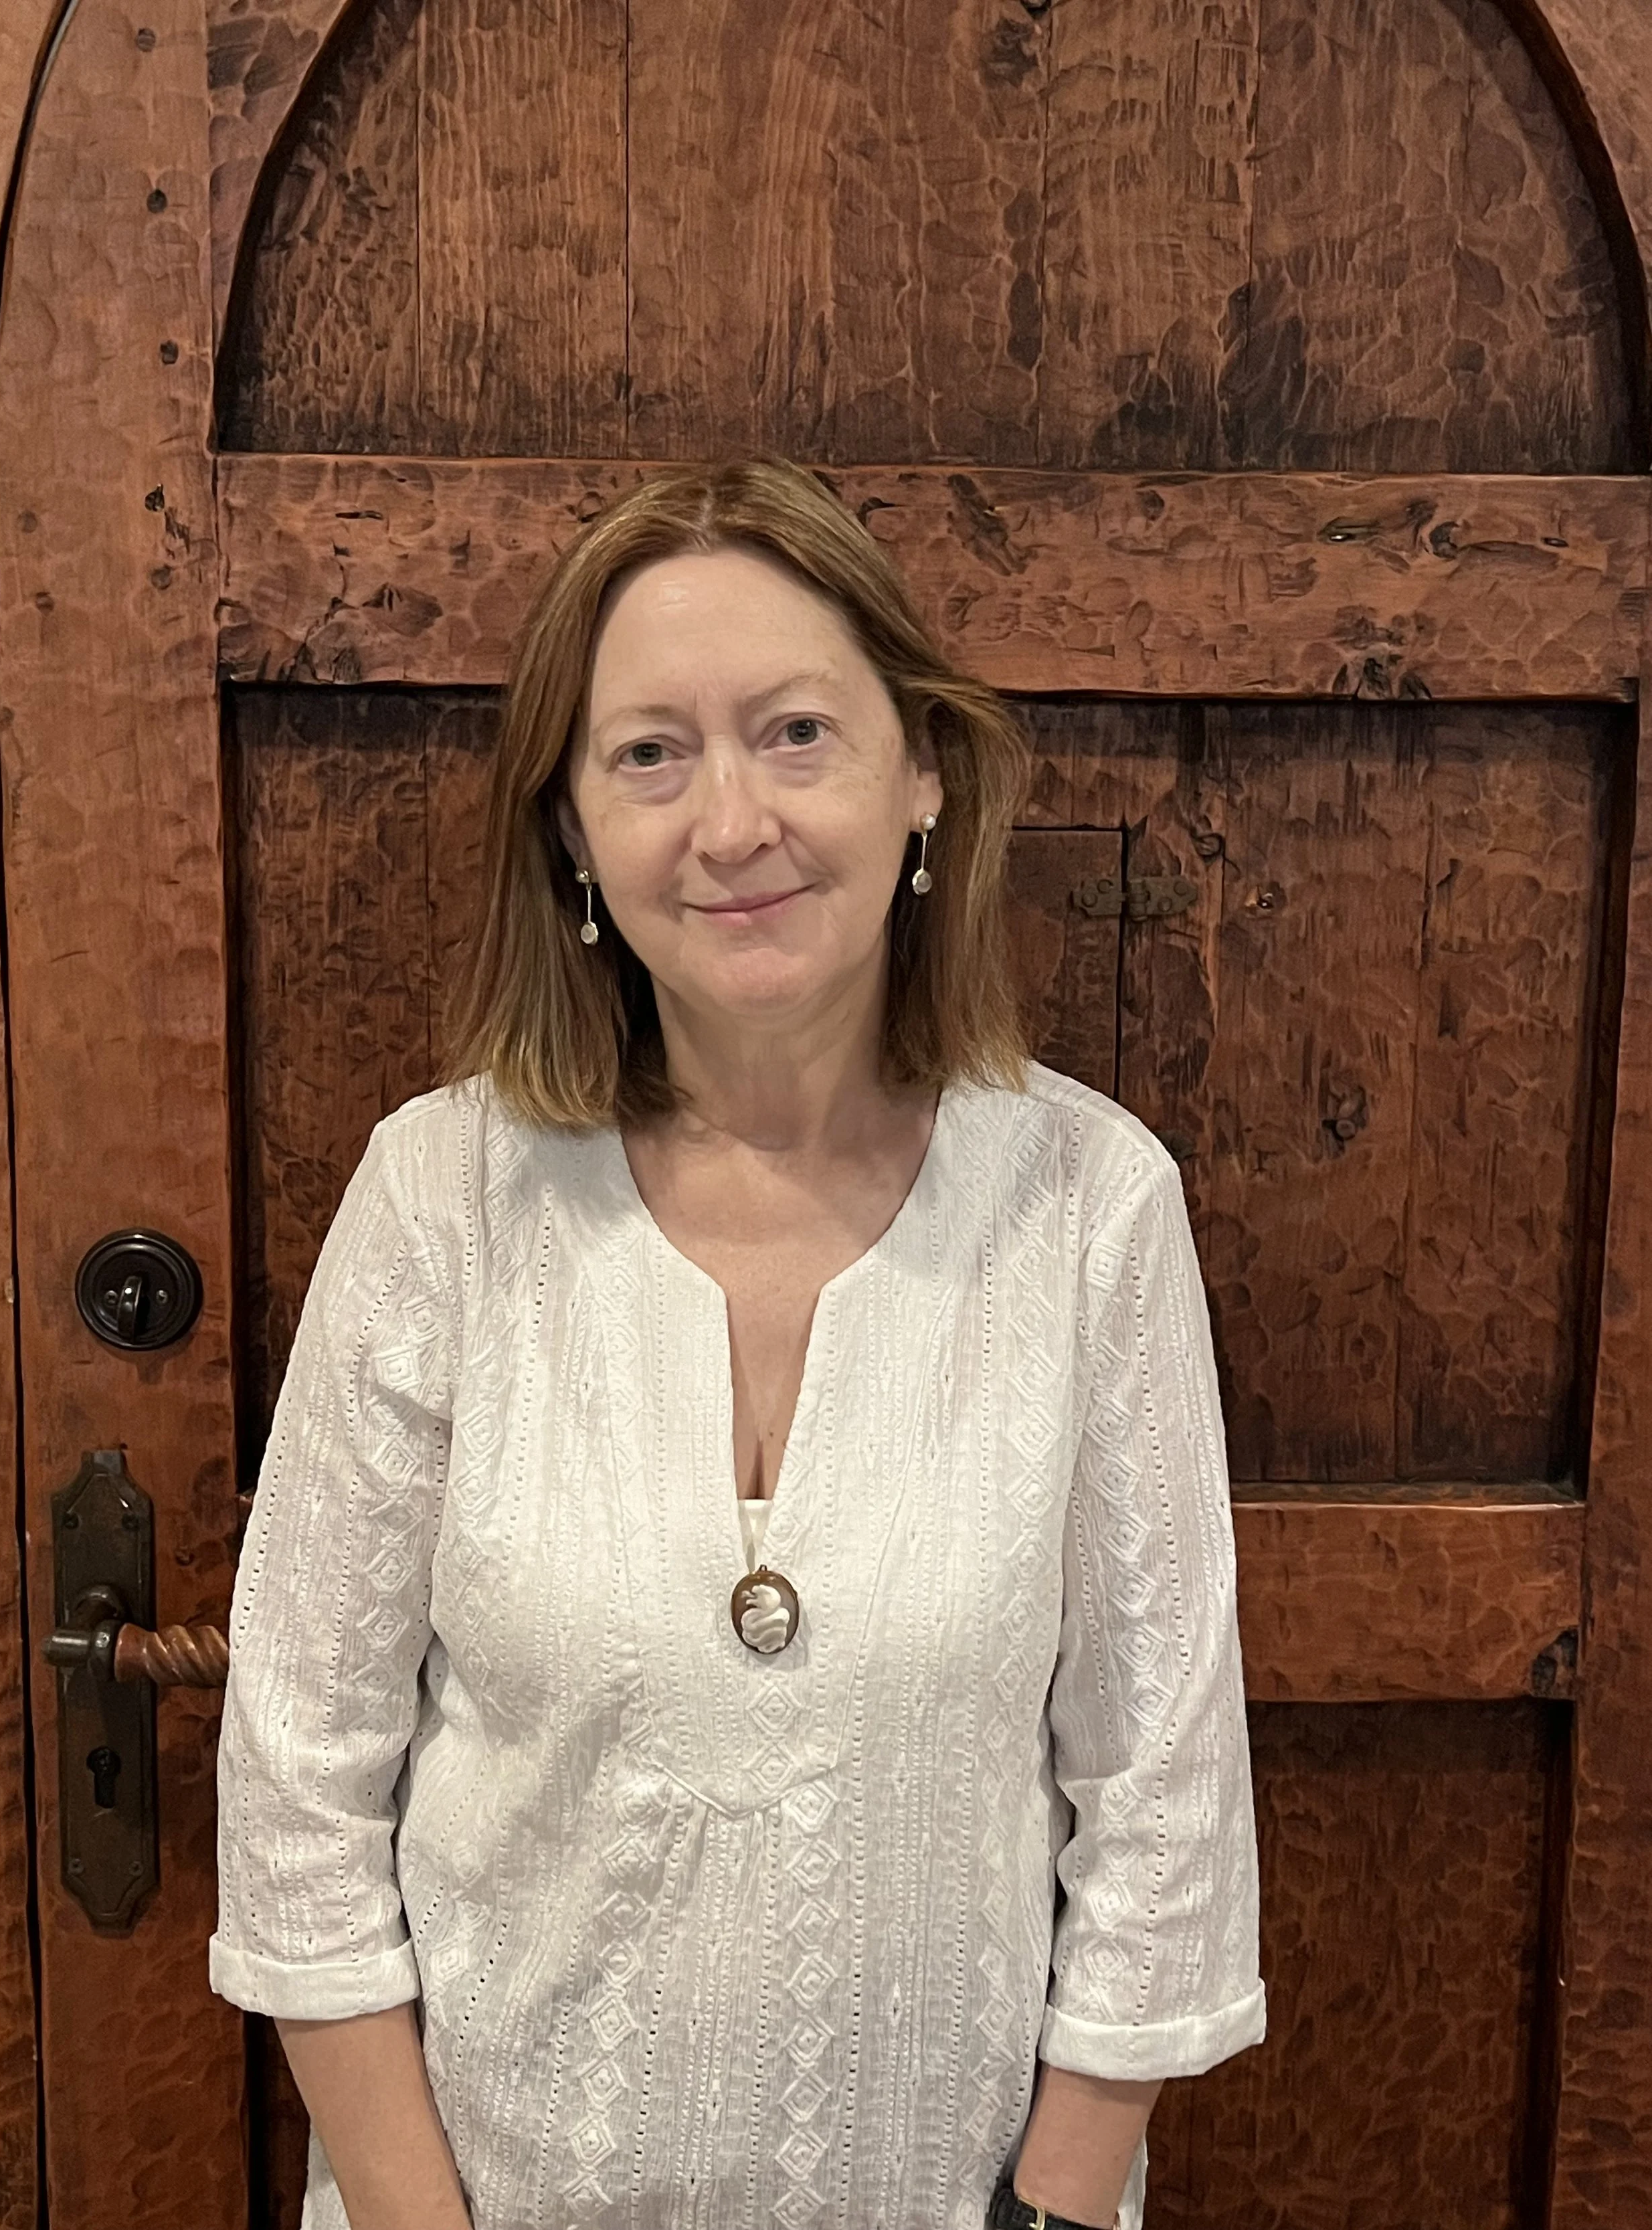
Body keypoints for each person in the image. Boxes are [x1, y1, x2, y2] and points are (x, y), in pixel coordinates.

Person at [209, 458, 1265, 2230]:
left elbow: (1160, 1780)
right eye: (647, 752)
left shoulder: (1086, 1205)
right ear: (568, 828)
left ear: (922, 772)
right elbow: (300, 1771)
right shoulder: (441, 1194)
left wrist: (1055, 2210)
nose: (729, 823)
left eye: (793, 732)